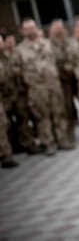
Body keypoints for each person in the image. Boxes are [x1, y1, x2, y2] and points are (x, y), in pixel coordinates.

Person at [14, 19, 73, 155]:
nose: (31, 30)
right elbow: (16, 70)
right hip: (36, 88)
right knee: (42, 117)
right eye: (27, 28)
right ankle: (49, 143)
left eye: (33, 27)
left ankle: (62, 140)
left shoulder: (47, 44)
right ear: (22, 32)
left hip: (53, 84)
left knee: (59, 113)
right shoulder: (20, 50)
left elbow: (59, 61)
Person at [0, 34, 38, 154]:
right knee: (7, 124)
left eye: (1, 42)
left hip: (17, 93)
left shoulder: (10, 56)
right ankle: (12, 148)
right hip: (4, 96)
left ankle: (30, 144)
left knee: (23, 119)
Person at [48, 19, 79, 144]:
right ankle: (66, 134)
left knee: (72, 105)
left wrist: (70, 65)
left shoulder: (70, 42)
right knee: (64, 107)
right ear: (51, 30)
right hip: (58, 81)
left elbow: (74, 56)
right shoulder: (48, 44)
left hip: (73, 78)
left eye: (60, 27)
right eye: (56, 27)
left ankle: (73, 130)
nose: (58, 29)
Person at [0, 36, 19, 168]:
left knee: (5, 124)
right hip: (3, 96)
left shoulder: (7, 57)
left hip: (11, 93)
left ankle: (9, 153)